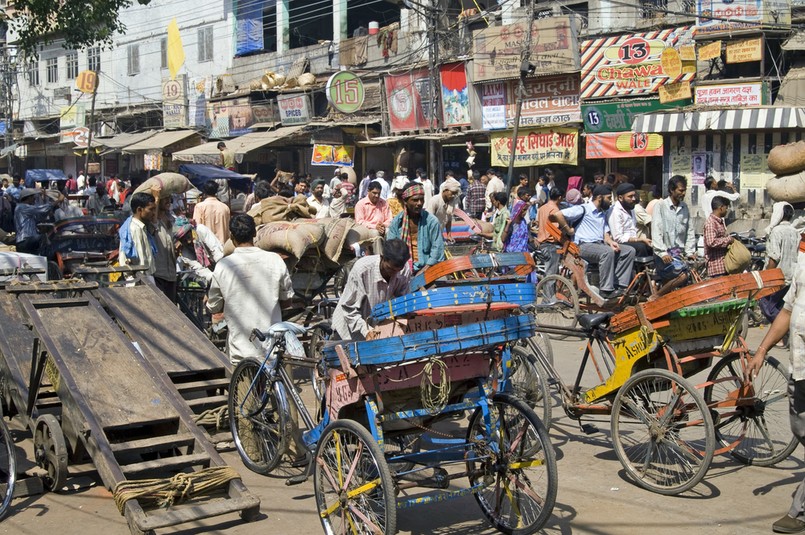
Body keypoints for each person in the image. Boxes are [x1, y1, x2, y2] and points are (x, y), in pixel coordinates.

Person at [747, 248, 805, 534]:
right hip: (799, 365)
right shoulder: (804, 261)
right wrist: (761, 348)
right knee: (799, 428)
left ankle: (799, 512)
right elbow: (788, 309)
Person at [207, 214, 294, 364]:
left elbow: (214, 306)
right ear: (255, 233)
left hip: (241, 351)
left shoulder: (223, 266)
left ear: (231, 237)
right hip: (272, 347)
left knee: (245, 386)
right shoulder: (275, 260)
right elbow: (287, 301)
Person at [551, 184, 635, 299]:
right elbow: (558, 214)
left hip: (599, 245)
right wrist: (568, 229)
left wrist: (610, 241)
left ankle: (620, 286)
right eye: (608, 198)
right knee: (607, 252)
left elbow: (605, 233)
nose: (610, 201)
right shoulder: (583, 209)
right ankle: (606, 290)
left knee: (629, 251)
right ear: (599, 198)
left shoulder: (602, 213)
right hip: (583, 246)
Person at [331, 239, 411, 341]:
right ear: (382, 258)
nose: (394, 274)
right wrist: (366, 331)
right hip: (349, 331)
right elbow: (349, 308)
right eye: (390, 269)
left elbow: (403, 302)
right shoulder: (362, 269)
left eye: (398, 270)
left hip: (376, 330)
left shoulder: (404, 271)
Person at [651, 175, 696, 297]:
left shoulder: (684, 207)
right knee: (683, 276)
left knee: (693, 274)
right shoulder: (660, 206)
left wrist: (690, 251)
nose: (683, 193)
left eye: (684, 190)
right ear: (672, 190)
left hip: (679, 255)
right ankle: (656, 297)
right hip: (664, 256)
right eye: (681, 190)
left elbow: (690, 231)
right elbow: (656, 231)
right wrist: (662, 252)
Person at [387, 182, 445, 271]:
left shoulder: (432, 221)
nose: (419, 203)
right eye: (415, 200)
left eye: (422, 199)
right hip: (401, 269)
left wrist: (424, 271)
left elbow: (437, 250)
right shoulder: (397, 222)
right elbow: (391, 249)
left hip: (427, 269)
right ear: (405, 201)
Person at [761, 202, 800, 329]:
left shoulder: (777, 231)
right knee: (783, 306)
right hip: (792, 275)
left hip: (778, 276)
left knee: (765, 303)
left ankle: (784, 329)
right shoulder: (795, 232)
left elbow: (774, 256)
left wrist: (766, 276)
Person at [174, 216, 224, 283]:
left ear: (191, 231)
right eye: (183, 239)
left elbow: (216, 250)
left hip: (221, 265)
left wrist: (222, 271)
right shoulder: (184, 252)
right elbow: (198, 268)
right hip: (211, 274)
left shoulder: (201, 230)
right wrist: (212, 277)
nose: (188, 241)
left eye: (188, 236)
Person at [118, 192, 157, 276]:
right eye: (151, 209)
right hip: (141, 279)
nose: (154, 213)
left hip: (147, 276)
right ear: (139, 210)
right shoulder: (135, 229)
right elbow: (141, 261)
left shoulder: (143, 226)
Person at [609, 182, 652, 257]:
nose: (634, 199)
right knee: (641, 247)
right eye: (630, 196)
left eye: (634, 196)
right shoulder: (615, 211)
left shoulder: (631, 208)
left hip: (633, 241)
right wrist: (639, 240)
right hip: (619, 244)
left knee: (652, 247)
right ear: (620, 198)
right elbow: (618, 238)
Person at [14, 188, 62, 254]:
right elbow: (41, 209)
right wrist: (58, 201)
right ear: (29, 198)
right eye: (33, 197)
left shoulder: (27, 210)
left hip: (26, 241)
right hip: (25, 240)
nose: (34, 199)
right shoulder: (22, 207)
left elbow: (40, 216)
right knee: (43, 238)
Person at [536, 187, 564, 288]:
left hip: (542, 244)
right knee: (551, 275)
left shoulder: (542, 208)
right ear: (560, 197)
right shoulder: (555, 210)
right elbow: (555, 230)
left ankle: (548, 299)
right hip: (551, 244)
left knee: (549, 273)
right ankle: (549, 301)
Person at [703, 196, 733, 278]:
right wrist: (728, 240)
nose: (727, 211)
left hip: (723, 265)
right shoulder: (711, 223)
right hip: (716, 267)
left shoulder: (719, 222)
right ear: (721, 208)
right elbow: (711, 242)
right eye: (726, 208)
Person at [425, 177, 460, 241]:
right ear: (445, 190)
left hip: (439, 233)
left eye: (455, 194)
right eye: (452, 193)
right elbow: (428, 220)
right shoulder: (435, 200)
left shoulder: (451, 203)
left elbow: (449, 220)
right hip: (429, 234)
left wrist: (449, 235)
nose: (453, 196)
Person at [505, 186, 533, 253]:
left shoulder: (523, 221)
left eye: (526, 210)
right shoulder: (512, 222)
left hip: (523, 252)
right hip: (513, 252)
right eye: (523, 210)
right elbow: (504, 238)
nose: (525, 212)